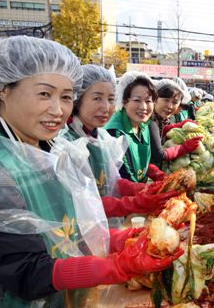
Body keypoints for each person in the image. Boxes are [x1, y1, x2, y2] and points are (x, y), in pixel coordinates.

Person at [0, 36, 181, 308]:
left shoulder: (53, 147)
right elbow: (26, 271)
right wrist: (117, 267)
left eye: (65, 96)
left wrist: (127, 239)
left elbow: (69, 226)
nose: (58, 109)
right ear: (3, 90)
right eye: (44, 94)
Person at [60, 65, 176, 221]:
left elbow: (112, 181)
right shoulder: (65, 144)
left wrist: (141, 189)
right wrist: (134, 202)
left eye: (110, 99)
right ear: (77, 99)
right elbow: (81, 204)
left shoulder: (101, 137)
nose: (106, 107)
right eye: (97, 98)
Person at [105, 72, 160, 182]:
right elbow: (125, 176)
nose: (143, 107)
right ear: (124, 102)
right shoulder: (115, 132)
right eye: (136, 100)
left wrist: (157, 174)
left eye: (148, 101)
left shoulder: (144, 125)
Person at [148, 79, 202, 167]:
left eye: (175, 102)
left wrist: (176, 126)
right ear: (155, 99)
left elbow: (159, 132)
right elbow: (159, 155)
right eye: (166, 100)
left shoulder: (161, 119)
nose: (170, 106)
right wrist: (184, 148)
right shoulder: (150, 121)